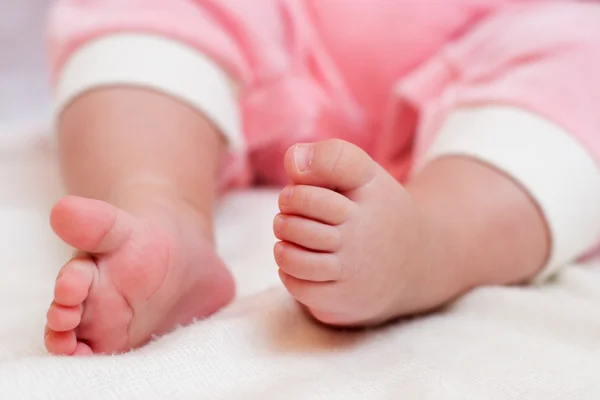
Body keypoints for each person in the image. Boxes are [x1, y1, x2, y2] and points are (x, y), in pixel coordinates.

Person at [43, 0, 600, 356]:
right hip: (281, 19)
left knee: (587, 67)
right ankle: (156, 206)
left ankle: (431, 244)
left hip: (511, 25)